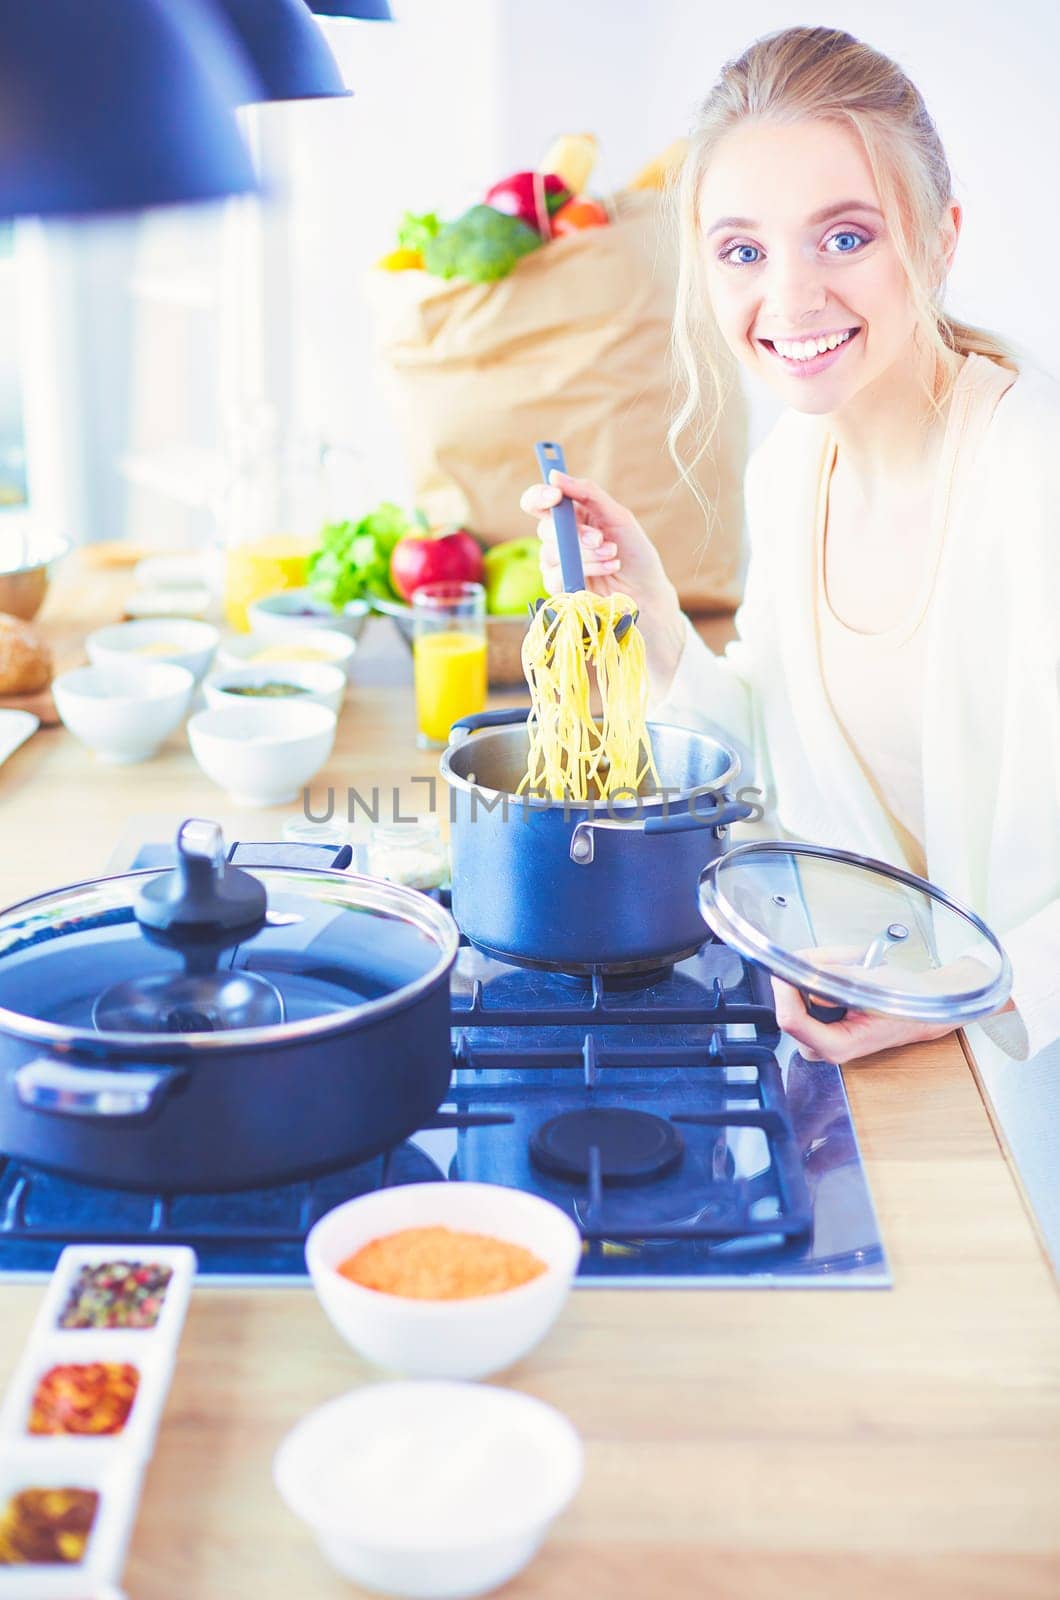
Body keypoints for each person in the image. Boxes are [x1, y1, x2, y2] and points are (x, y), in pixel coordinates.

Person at [521, 25, 1060, 1064]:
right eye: (742, 251)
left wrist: (970, 992)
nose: (793, 296)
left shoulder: (1034, 476)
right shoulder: (792, 470)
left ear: (940, 236)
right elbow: (778, 773)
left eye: (845, 237)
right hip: (900, 1059)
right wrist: (655, 618)